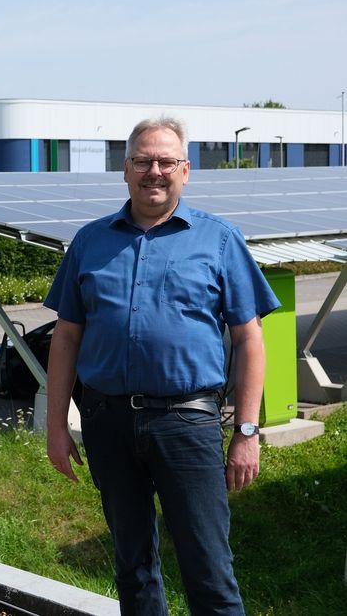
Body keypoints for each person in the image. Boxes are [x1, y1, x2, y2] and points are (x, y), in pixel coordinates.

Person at [44, 117, 280, 615]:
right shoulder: (90, 241)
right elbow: (66, 338)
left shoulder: (219, 239)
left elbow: (250, 337)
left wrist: (247, 430)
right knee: (133, 567)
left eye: (166, 161)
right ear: (125, 169)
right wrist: (56, 426)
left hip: (187, 423)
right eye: (144, 161)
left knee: (209, 569)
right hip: (107, 422)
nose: (155, 171)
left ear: (185, 170)